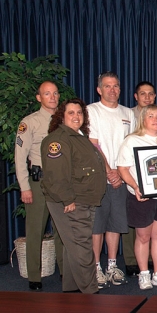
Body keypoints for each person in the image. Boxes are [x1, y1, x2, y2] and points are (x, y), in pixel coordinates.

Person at [41, 98, 106, 294]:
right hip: (72, 202)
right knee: (82, 247)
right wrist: (67, 199)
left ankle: (72, 290)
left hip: (85, 199)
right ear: (62, 116)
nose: (76, 116)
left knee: (73, 247)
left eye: (79, 113)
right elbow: (56, 175)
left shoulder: (79, 136)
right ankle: (90, 292)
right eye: (71, 112)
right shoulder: (58, 140)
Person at [116, 104, 157, 290]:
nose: (156, 119)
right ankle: (144, 274)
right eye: (151, 116)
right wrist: (135, 187)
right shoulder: (132, 141)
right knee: (143, 236)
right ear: (143, 119)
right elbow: (122, 169)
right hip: (141, 196)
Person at [87, 71, 136, 288]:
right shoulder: (91, 111)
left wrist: (120, 173)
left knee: (115, 224)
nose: (112, 90)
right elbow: (93, 145)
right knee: (97, 225)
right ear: (99, 89)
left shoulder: (128, 113)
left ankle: (112, 266)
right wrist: (109, 171)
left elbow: (131, 145)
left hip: (121, 178)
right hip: (99, 178)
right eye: (107, 86)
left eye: (116, 86)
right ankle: (96, 267)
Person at [14, 81, 64, 291]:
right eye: (47, 94)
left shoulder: (65, 120)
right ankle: (34, 276)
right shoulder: (29, 122)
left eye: (55, 93)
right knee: (35, 229)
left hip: (61, 183)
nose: (52, 97)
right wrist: (24, 187)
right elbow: (19, 157)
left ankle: (65, 271)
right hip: (39, 182)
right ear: (39, 98)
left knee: (63, 230)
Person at [123, 80, 157, 277]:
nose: (147, 97)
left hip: (154, 178)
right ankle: (131, 261)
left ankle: (151, 259)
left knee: (153, 222)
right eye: (142, 94)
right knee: (133, 221)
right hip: (132, 177)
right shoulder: (128, 116)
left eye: (150, 94)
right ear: (136, 96)